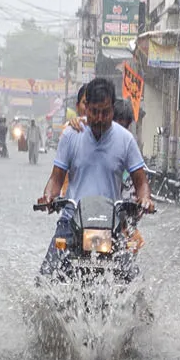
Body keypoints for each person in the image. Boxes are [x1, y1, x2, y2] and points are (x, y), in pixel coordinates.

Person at [36, 78, 154, 273]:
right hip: (71, 219)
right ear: (85, 108)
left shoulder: (125, 140)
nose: (99, 118)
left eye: (105, 112)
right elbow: (56, 178)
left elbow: (141, 181)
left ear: (112, 110)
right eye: (94, 112)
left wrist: (145, 199)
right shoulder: (71, 135)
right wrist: (48, 197)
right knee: (46, 276)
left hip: (112, 223)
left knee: (133, 281)